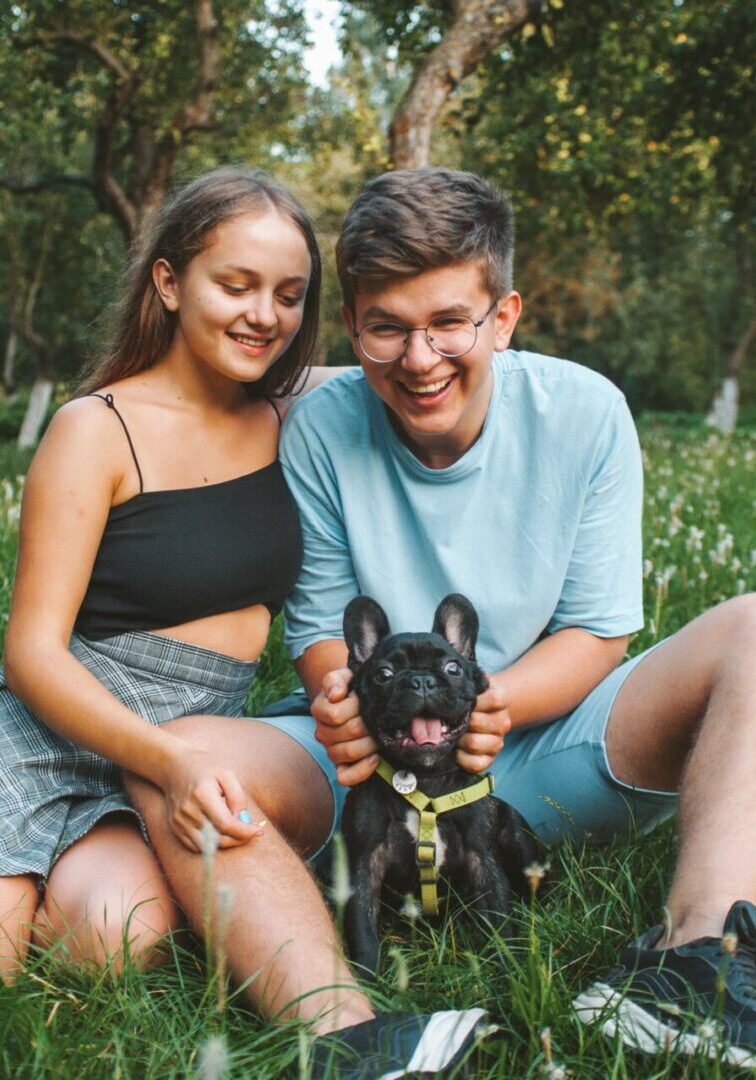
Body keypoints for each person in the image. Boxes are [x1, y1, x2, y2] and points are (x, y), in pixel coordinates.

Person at [0, 166, 489, 1078]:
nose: (266, 314)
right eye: (237, 285)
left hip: (196, 733)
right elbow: (29, 653)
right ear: (169, 281)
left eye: (290, 296)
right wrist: (171, 757)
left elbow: (423, 352)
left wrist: (523, 361)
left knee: (108, 944)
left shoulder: (291, 411)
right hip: (57, 727)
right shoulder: (96, 427)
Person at [272, 167, 756, 1068]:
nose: (419, 359)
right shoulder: (319, 428)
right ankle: (337, 998)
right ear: (353, 326)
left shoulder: (586, 412)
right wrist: (338, 698)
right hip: (370, 764)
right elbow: (317, 628)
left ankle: (695, 964)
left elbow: (598, 632)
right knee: (199, 764)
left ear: (503, 316)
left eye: (449, 322)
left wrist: (490, 707)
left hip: (537, 741)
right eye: (387, 328)